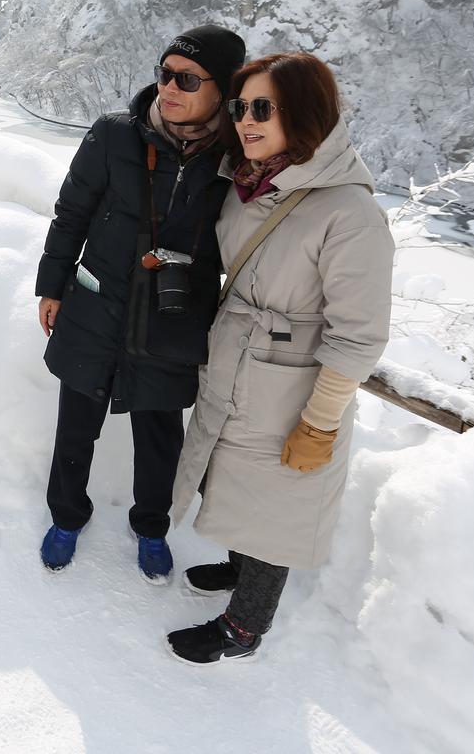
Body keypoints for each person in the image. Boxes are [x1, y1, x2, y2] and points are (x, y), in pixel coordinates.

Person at [166, 52, 394, 665]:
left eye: (262, 108)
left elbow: (361, 333)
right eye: (240, 107)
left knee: (278, 504)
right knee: (239, 475)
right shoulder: (250, 182)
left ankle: (245, 628)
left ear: (305, 113)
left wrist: (320, 421)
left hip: (294, 387)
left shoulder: (350, 213)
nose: (245, 120)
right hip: (242, 360)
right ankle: (240, 567)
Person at [35, 25, 246, 582]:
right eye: (163, 72)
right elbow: (70, 215)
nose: (168, 87)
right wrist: (51, 285)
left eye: (187, 78)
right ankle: (66, 516)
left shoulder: (235, 158)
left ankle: (151, 527)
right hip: (97, 306)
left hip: (173, 320)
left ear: (222, 93)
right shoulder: (113, 136)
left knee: (160, 432)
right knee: (76, 422)